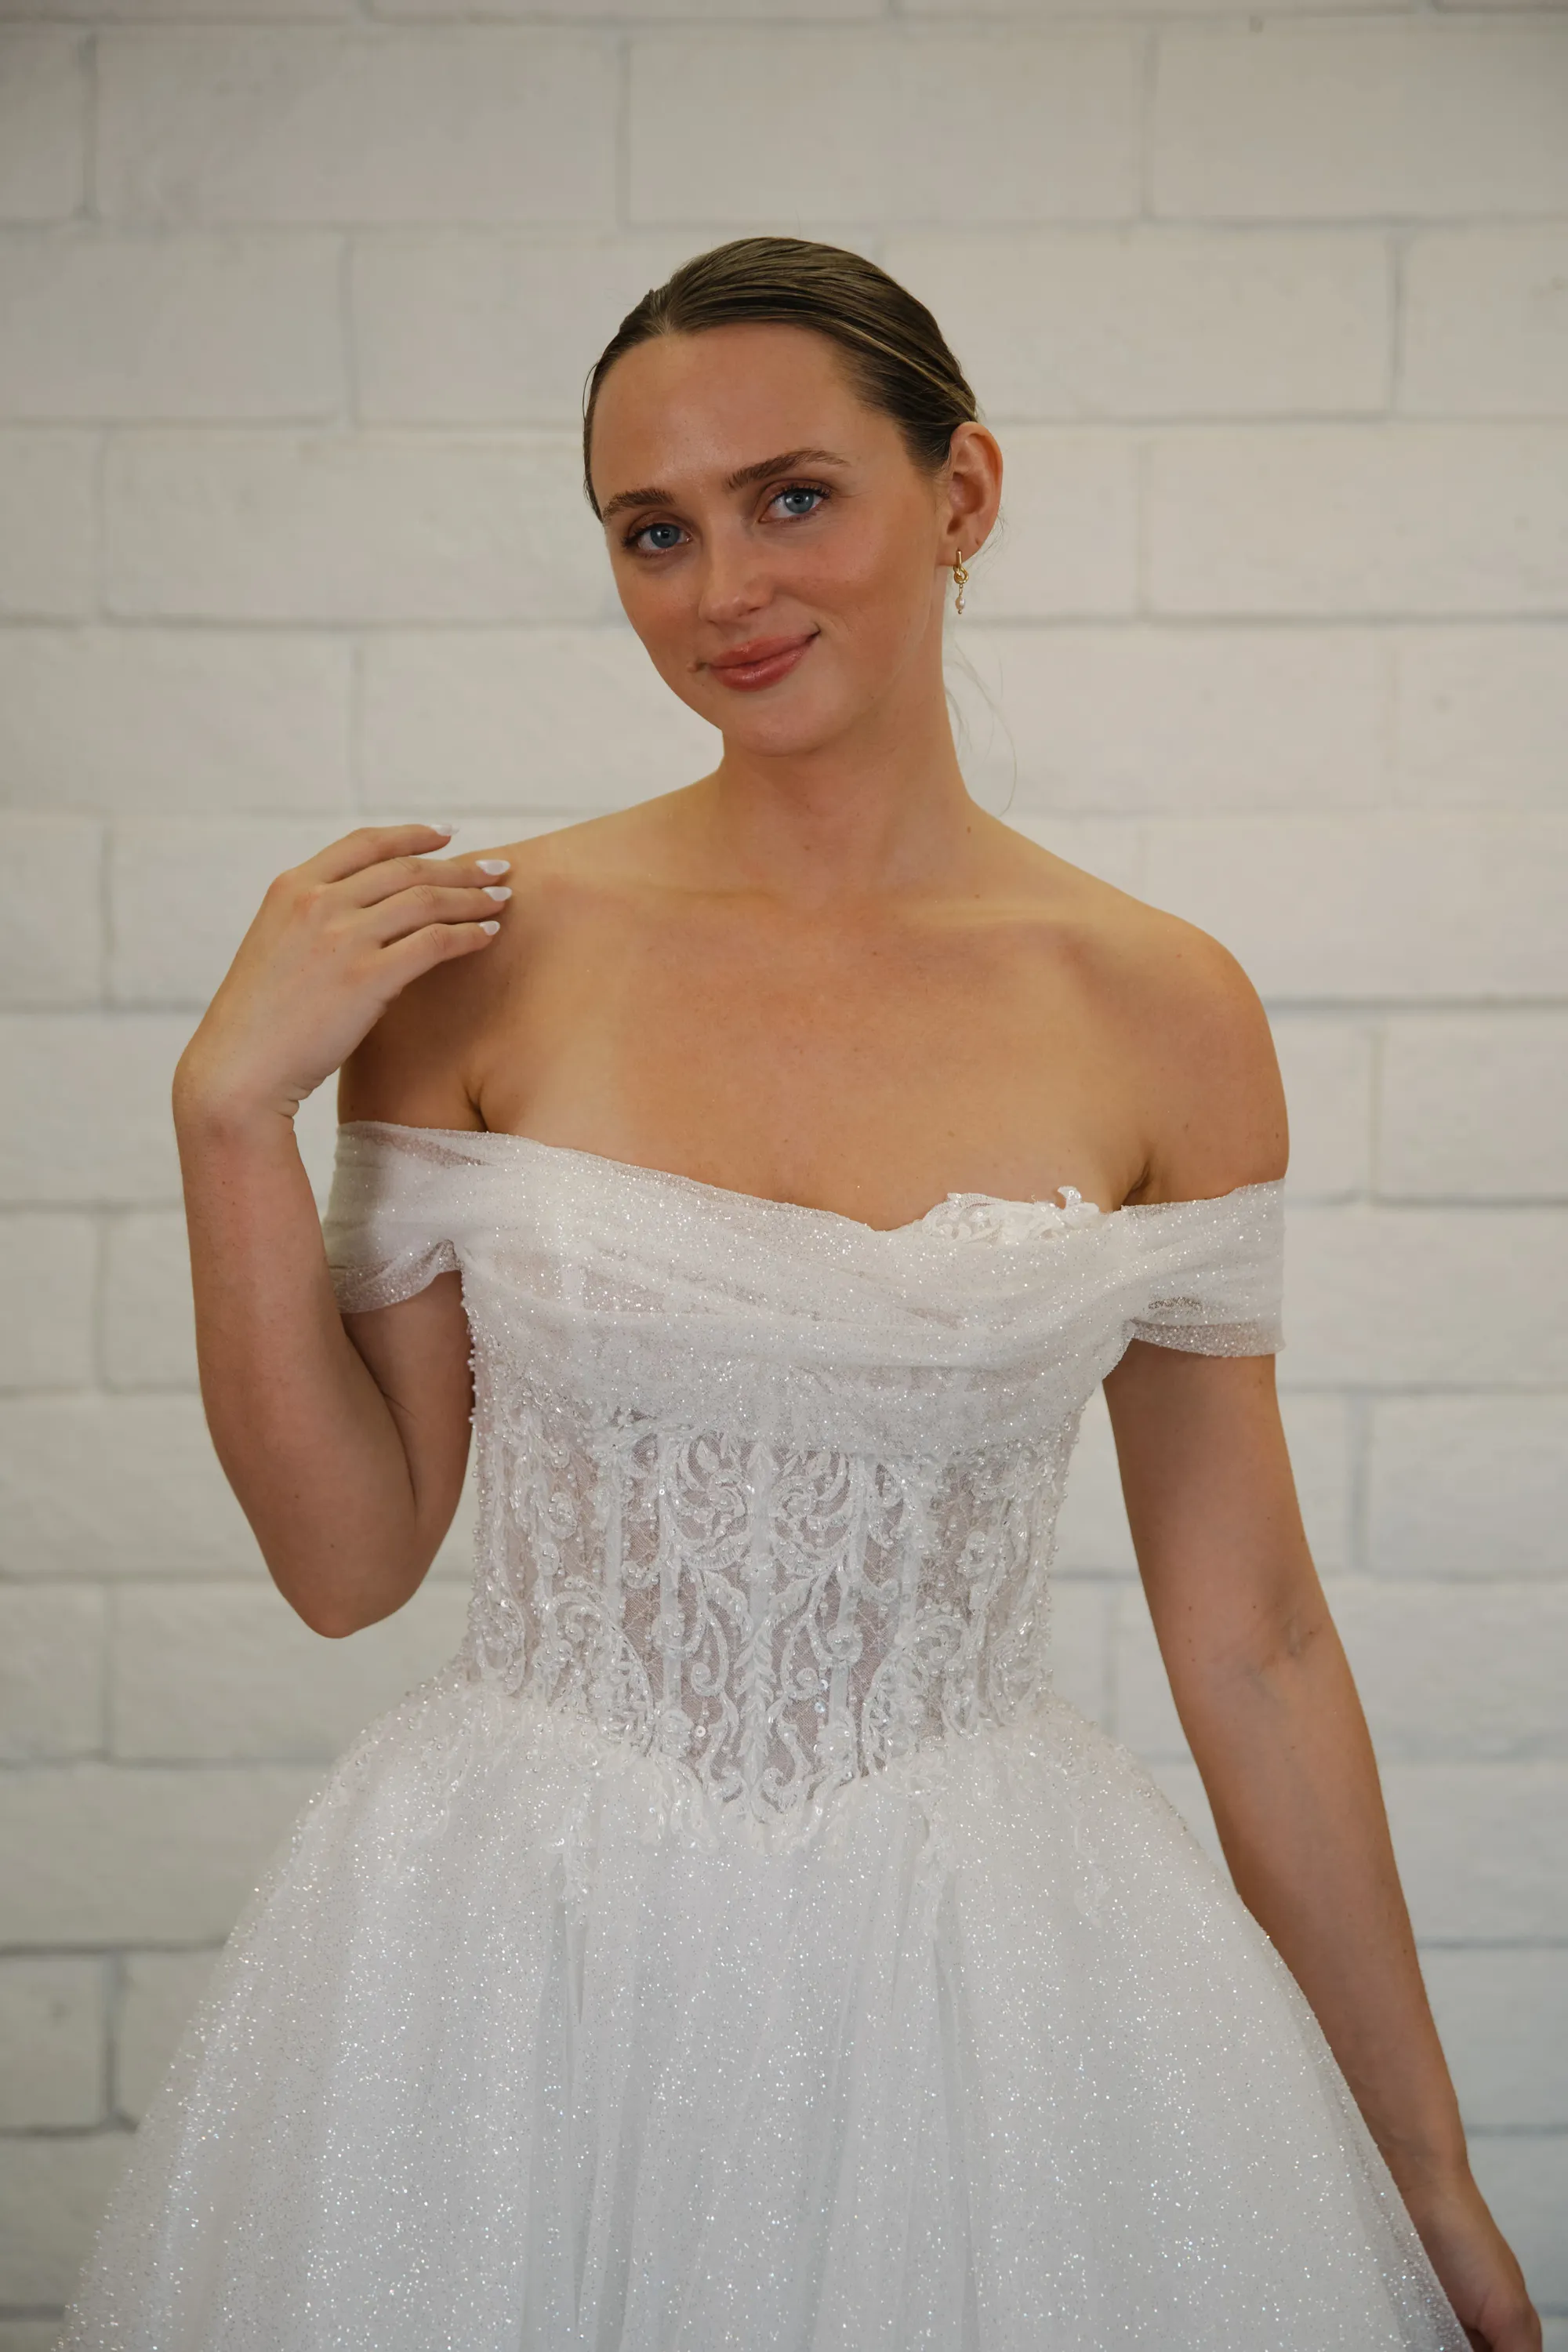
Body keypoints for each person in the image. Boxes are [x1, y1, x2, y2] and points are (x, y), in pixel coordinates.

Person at [60, 235, 1537, 2351]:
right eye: (653, 531)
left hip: (986, 1971)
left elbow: (1258, 1635)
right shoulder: (480, 958)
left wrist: (1426, 2174)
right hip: (523, 1958)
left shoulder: (1160, 1008)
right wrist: (226, 1119)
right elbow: (346, 1559)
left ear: (963, 491)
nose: (725, 590)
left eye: (794, 497)